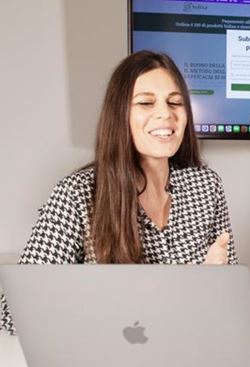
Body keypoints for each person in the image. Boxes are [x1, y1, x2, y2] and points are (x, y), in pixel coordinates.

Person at [0, 51, 237, 335]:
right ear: (119, 113)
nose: (166, 113)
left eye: (175, 102)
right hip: (101, 358)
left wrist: (217, 283)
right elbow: (13, 316)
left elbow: (228, 306)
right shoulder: (76, 194)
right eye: (146, 102)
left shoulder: (207, 187)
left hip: (189, 349)